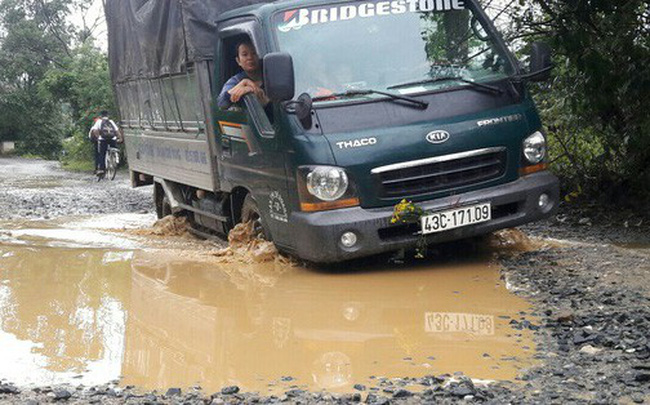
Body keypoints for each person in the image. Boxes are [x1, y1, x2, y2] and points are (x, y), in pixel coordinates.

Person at [217, 39, 269, 109]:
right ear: (238, 61)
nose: (250, 58)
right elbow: (221, 104)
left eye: (254, 53)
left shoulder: (271, 75)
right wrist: (244, 83)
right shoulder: (236, 80)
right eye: (245, 54)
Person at [89, 111, 123, 175]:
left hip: (103, 139)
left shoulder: (99, 121)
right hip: (112, 139)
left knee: (102, 153)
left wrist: (98, 137)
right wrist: (120, 138)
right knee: (114, 148)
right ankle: (115, 160)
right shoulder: (111, 121)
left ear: (101, 116)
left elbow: (95, 130)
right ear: (108, 115)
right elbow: (117, 130)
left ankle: (102, 169)